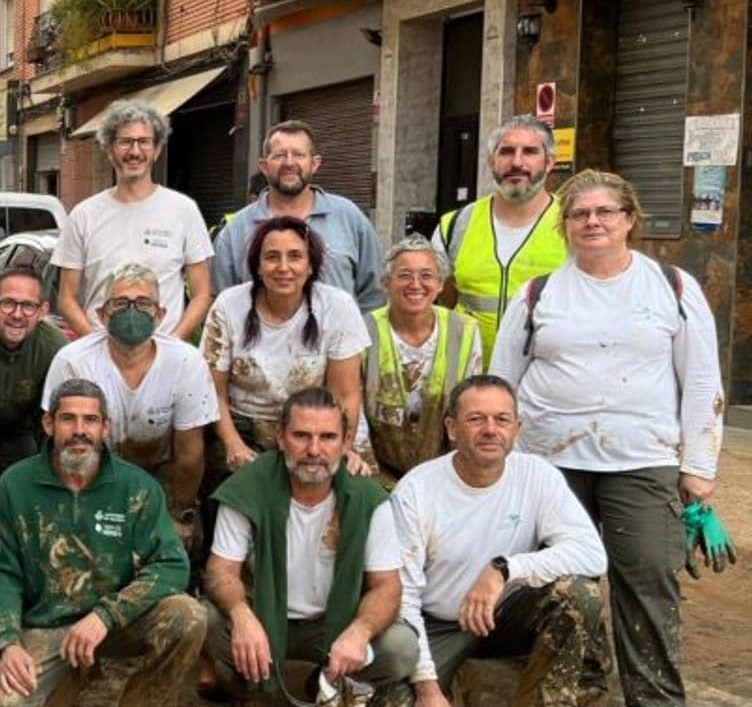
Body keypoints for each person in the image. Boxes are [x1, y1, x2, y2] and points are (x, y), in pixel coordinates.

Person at [492, 170, 723, 707]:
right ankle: (565, 695)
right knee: (558, 583)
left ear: (629, 219)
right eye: (579, 214)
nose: (592, 222)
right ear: (564, 225)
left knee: (647, 579)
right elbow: (503, 382)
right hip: (549, 461)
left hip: (640, 460)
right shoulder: (538, 295)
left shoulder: (671, 287)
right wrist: (503, 458)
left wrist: (697, 465)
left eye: (605, 212)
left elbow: (700, 380)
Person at [365, 375, 611, 707]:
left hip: (505, 614)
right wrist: (428, 689)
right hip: (436, 622)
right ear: (451, 428)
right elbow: (404, 595)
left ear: (517, 428)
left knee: (578, 593)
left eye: (502, 419)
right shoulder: (418, 489)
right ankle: (456, 678)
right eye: (476, 419)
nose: (490, 430)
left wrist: (504, 569)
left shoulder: (537, 476)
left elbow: (592, 554)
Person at [0, 380, 205, 707]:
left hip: (114, 622)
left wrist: (106, 614)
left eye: (90, 420)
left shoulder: (137, 487)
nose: (79, 430)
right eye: (68, 419)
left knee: (189, 617)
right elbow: (5, 571)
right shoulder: (16, 484)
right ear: (49, 425)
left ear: (105, 427)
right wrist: (8, 640)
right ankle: (76, 677)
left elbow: (171, 565)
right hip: (47, 623)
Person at [203, 386, 418, 707]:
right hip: (264, 618)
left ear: (345, 440)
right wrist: (241, 615)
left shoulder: (368, 499)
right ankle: (250, 693)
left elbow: (387, 587)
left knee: (401, 648)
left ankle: (327, 683)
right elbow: (220, 571)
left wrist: (360, 631)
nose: (314, 450)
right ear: (281, 437)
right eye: (302, 436)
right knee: (207, 619)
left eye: (328, 437)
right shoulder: (248, 488)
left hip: (334, 623)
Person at [43, 264, 217, 532]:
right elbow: (62, 443)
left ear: (160, 315)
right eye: (120, 303)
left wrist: (180, 513)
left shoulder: (186, 362)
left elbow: (189, 454)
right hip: (92, 473)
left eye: (144, 303)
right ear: (102, 314)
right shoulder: (73, 361)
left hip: (162, 476)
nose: (131, 311)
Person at [204, 216, 370, 474]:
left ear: (310, 265)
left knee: (354, 491)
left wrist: (340, 447)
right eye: (271, 257)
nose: (283, 267)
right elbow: (214, 391)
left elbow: (345, 394)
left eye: (295, 256)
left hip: (317, 426)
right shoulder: (229, 305)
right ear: (258, 266)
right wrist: (233, 444)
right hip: (243, 426)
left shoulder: (338, 306)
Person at [53, 101, 215, 338]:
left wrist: (174, 342)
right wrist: (98, 344)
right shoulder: (84, 215)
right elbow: (66, 299)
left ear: (157, 149)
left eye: (144, 142)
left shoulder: (183, 210)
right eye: (125, 142)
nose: (135, 152)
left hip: (163, 357)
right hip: (102, 358)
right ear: (109, 149)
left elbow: (202, 295)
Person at [212, 120, 384, 311]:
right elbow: (221, 306)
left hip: (339, 340)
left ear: (315, 163)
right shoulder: (236, 231)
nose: (289, 163)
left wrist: (359, 338)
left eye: (299, 154)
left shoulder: (349, 219)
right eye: (279, 155)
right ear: (263, 165)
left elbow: (374, 296)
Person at [433, 116, 566, 362]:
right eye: (506, 152)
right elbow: (441, 302)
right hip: (471, 378)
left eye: (529, 152)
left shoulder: (573, 224)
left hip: (542, 380)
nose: (517, 162)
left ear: (549, 162)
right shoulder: (454, 224)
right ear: (490, 161)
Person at [362, 236, 483, 486]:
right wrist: (368, 469)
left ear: (440, 284)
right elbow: (351, 406)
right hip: (377, 468)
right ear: (386, 283)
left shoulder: (465, 330)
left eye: (427, 276)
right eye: (404, 275)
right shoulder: (364, 329)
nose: (415, 284)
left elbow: (472, 406)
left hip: (446, 470)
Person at [0, 265, 66, 478]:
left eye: (28, 306)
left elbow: (50, 418)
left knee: (34, 496)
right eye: (8, 304)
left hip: (18, 433)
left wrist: (49, 468)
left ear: (43, 311)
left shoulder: (55, 348)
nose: (17, 315)